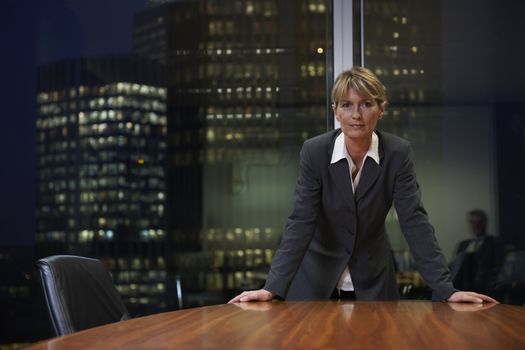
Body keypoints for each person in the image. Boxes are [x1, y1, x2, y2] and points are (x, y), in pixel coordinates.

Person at [228, 66, 496, 304]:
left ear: (382, 109)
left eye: (366, 104)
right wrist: (272, 287)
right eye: (346, 105)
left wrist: (446, 289)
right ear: (335, 111)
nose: (356, 114)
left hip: (373, 284)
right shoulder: (315, 152)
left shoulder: (397, 153)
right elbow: (301, 221)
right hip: (315, 285)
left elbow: (414, 222)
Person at [450, 209, 503, 296]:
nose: (476, 225)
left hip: (486, 293)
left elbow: (499, 269)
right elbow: (454, 268)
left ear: (485, 223)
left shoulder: (495, 243)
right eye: (473, 222)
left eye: (479, 222)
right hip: (463, 293)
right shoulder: (463, 245)